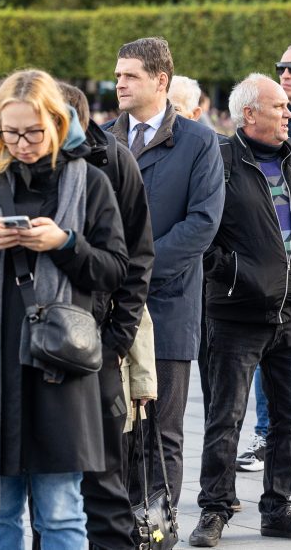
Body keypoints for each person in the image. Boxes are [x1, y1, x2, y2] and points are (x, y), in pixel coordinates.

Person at [0, 69, 128, 546]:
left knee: (61, 511)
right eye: (10, 132)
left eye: (32, 132)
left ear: (56, 122)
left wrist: (64, 243)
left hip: (61, 365)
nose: (22, 143)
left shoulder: (89, 181)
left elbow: (116, 270)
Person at [190, 73, 291, 547]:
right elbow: (200, 232)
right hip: (235, 315)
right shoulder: (220, 159)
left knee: (289, 418)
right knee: (224, 418)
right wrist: (233, 275)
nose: (289, 113)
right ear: (249, 114)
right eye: (279, 107)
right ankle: (215, 508)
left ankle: (278, 508)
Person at [105, 37, 225, 508]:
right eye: (117, 75)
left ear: (161, 80)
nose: (119, 83)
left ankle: (157, 533)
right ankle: (117, 529)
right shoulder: (103, 139)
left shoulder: (199, 141)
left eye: (130, 75)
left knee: (161, 431)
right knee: (114, 427)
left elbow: (203, 224)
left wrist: (136, 271)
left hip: (169, 307)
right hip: (111, 308)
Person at [58, 82, 156, 550]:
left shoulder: (110, 163)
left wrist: (118, 336)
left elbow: (136, 258)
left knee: (105, 476)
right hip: (34, 343)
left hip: (98, 340)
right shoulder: (0, 168)